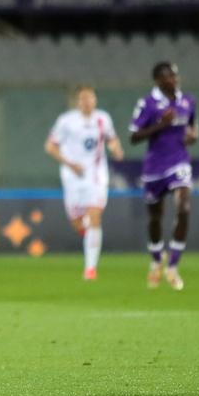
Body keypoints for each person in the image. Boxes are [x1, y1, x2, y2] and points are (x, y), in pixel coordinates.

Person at [129, 61, 198, 290]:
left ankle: (173, 266)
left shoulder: (188, 100)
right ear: (158, 80)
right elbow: (134, 137)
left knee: (184, 208)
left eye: (175, 75)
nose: (174, 79)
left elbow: (192, 127)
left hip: (179, 161)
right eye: (169, 76)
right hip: (154, 167)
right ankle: (157, 260)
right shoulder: (147, 104)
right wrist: (161, 124)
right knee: (155, 217)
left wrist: (192, 136)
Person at [45, 85, 123, 280]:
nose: (87, 102)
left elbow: (112, 139)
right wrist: (70, 164)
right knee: (78, 223)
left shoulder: (103, 119)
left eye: (91, 98)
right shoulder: (66, 121)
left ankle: (90, 269)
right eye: (83, 98)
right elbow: (51, 147)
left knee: (95, 216)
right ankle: (89, 233)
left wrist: (115, 149)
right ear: (77, 101)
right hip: (73, 177)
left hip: (96, 175)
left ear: (95, 100)